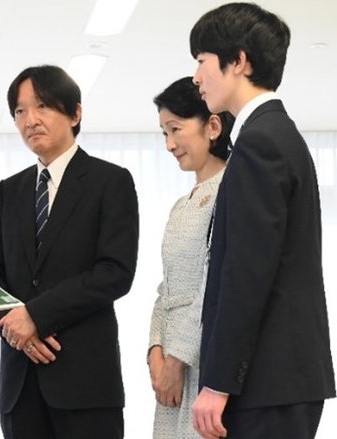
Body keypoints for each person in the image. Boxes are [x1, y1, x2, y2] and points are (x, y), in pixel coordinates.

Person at [188, 4, 336, 438]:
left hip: (266, 380)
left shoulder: (261, 142)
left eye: (202, 61)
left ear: (239, 62)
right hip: (278, 379)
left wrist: (218, 382)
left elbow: (248, 272)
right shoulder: (273, 135)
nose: (196, 76)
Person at [0, 65, 139, 439]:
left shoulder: (111, 181)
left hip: (85, 382)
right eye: (20, 111)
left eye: (42, 107)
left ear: (75, 113)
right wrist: (18, 331)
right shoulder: (9, 190)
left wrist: (36, 316)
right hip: (20, 383)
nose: (30, 120)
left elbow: (114, 272)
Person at [148, 76, 233, 438]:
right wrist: (154, 347)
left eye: (176, 129)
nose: (169, 144)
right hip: (171, 363)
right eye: (164, 132)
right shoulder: (182, 204)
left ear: (212, 126)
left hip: (203, 361)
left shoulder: (230, 190)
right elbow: (166, 288)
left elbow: (213, 281)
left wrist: (178, 357)